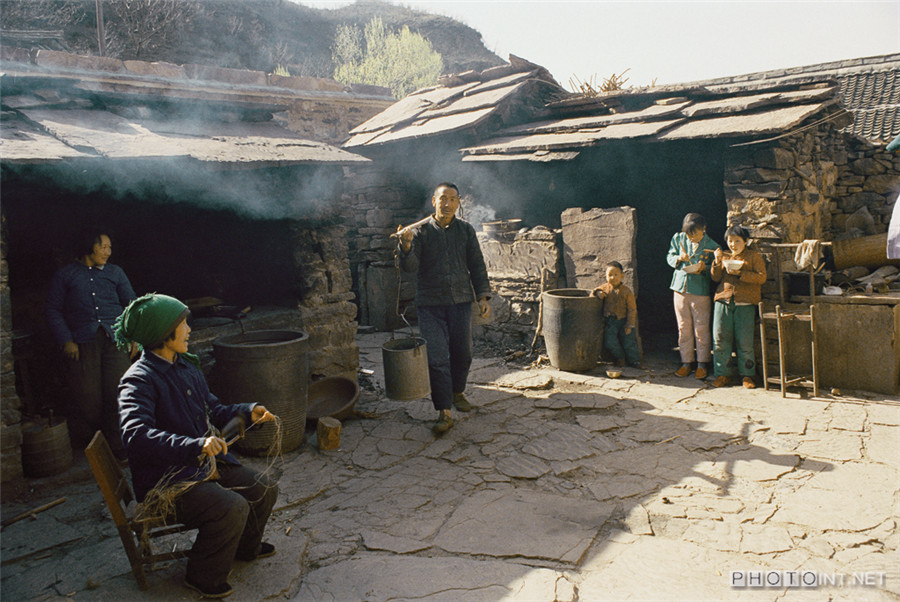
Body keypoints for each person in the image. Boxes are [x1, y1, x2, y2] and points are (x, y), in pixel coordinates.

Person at [115, 293, 279, 599]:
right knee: (231, 507)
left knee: (263, 486)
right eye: (183, 324)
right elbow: (136, 435)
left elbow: (214, 409)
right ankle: (202, 576)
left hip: (200, 466)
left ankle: (244, 547)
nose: (189, 329)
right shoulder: (138, 381)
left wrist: (247, 410)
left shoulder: (185, 367)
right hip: (167, 481)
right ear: (163, 333)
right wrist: (195, 445)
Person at [396, 182, 492, 434]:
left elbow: (477, 265)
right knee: (437, 358)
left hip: (460, 301)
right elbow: (409, 268)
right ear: (433, 201)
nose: (447, 203)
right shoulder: (419, 232)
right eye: (443, 199)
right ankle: (444, 411)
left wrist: (482, 297)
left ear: (458, 202)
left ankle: (457, 392)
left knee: (463, 354)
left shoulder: (465, 231)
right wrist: (405, 247)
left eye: (452, 199)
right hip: (430, 305)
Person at [46, 227, 137, 455]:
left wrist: (135, 335)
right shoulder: (66, 275)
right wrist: (66, 340)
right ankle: (98, 445)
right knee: (89, 400)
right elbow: (53, 310)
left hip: (116, 341)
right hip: (83, 344)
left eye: (110, 247)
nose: (108, 252)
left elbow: (132, 304)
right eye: (103, 247)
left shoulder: (115, 272)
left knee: (120, 392)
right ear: (89, 247)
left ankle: (120, 447)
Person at [709, 225, 767, 389]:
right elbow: (715, 278)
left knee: (745, 342)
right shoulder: (725, 255)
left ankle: (747, 376)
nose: (733, 244)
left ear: (746, 241)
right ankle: (722, 374)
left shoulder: (753, 256)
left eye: (737, 241)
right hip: (723, 301)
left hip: (745, 303)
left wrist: (741, 274)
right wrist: (718, 261)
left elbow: (762, 277)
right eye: (730, 240)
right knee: (720, 339)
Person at [666, 213, 720, 380]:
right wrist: (678, 258)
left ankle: (702, 363)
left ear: (704, 229)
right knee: (683, 327)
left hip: (700, 291)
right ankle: (686, 362)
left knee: (701, 327)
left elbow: (716, 269)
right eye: (689, 234)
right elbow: (669, 257)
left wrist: (706, 267)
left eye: (695, 233)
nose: (692, 237)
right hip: (680, 289)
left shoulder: (712, 246)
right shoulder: (678, 239)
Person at [592, 261, 641, 369]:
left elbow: (632, 309)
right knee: (609, 342)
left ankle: (634, 361)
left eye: (616, 275)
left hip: (624, 321)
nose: (613, 277)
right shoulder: (605, 287)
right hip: (610, 322)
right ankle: (620, 357)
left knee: (629, 342)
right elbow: (593, 292)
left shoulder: (627, 292)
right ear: (605, 276)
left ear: (622, 276)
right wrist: (598, 293)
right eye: (610, 275)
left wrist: (629, 324)